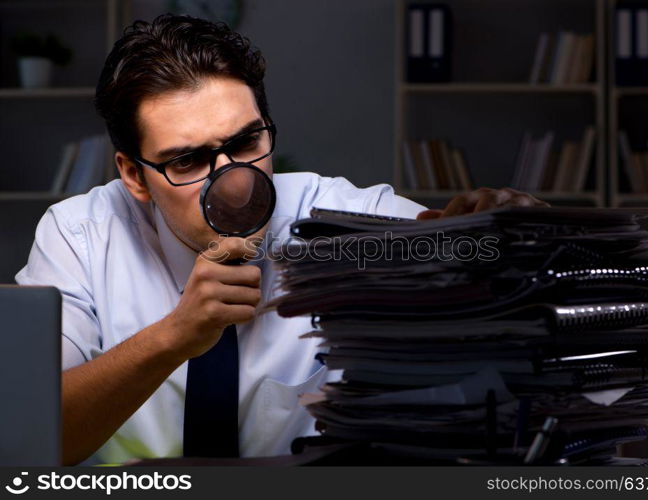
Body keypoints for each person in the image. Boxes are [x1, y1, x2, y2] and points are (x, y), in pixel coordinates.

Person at [15, 14, 548, 465]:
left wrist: (512, 236)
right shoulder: (80, 235)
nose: (234, 182)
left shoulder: (336, 214)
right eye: (188, 160)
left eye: (246, 143)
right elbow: (29, 437)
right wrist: (174, 336)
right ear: (133, 175)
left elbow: (468, 249)